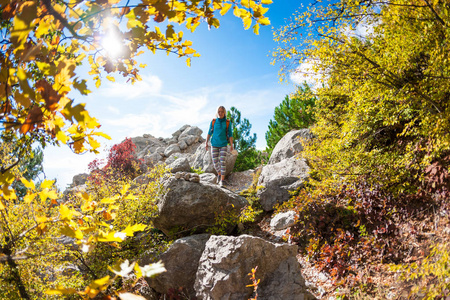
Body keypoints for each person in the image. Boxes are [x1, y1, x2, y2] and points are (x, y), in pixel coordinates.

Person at [205, 106, 234, 186]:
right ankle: (219, 173)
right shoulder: (214, 121)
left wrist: (231, 145)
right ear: (217, 112)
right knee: (215, 162)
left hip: (223, 145)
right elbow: (209, 132)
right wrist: (206, 142)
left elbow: (230, 134)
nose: (220, 113)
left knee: (222, 162)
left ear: (224, 113)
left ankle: (222, 180)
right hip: (214, 144)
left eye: (222, 111)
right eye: (219, 111)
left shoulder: (227, 122)